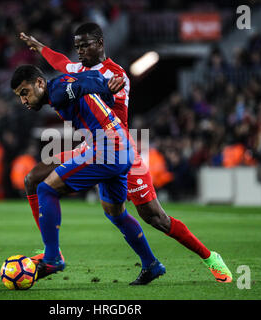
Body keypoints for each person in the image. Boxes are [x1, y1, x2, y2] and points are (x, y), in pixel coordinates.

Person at [20, 23, 232, 283]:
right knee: (34, 179)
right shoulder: (78, 71)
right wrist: (40, 47)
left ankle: (210, 257)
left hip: (116, 144)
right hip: (93, 144)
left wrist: (103, 91)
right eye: (77, 47)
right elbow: (61, 62)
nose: (80, 52)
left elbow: (115, 115)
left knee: (155, 217)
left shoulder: (117, 74)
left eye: (85, 45)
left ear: (100, 43)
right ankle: (51, 250)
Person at [11, 64, 166, 285]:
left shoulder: (57, 92)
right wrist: (108, 93)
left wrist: (105, 86)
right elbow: (91, 75)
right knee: (116, 214)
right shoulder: (61, 85)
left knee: (45, 188)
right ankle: (151, 264)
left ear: (39, 83)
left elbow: (86, 82)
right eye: (19, 96)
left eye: (24, 93)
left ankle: (53, 257)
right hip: (121, 149)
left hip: (107, 148)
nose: (23, 100)